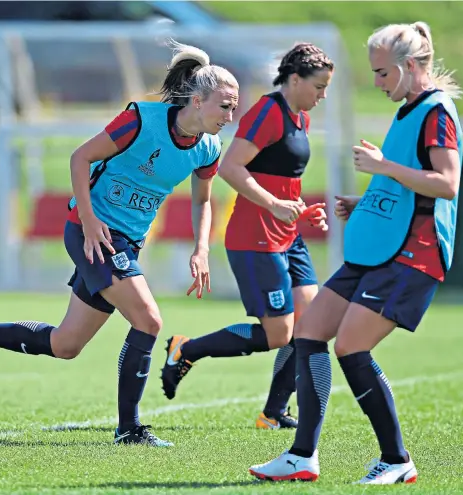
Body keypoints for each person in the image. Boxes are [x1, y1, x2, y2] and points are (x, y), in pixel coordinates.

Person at [0, 40, 240, 447]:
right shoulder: (141, 121)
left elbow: (203, 201)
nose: (230, 116)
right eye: (224, 106)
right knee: (149, 320)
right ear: (197, 101)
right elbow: (80, 158)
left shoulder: (209, 148)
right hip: (92, 232)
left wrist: (202, 249)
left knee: (66, 344)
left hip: (127, 241)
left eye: (233, 107)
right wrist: (89, 222)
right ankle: (129, 429)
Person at [248, 21, 463, 483]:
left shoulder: (436, 112)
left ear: (409, 66)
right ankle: (302, 454)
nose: (377, 82)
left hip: (414, 251)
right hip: (379, 245)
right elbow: (408, 184)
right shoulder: (410, 109)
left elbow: (446, 183)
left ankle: (397, 460)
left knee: (350, 346)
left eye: (383, 73)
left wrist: (383, 167)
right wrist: (365, 202)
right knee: (309, 333)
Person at [160, 43, 333, 430]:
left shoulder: (299, 118)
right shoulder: (268, 112)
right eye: (318, 87)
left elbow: (281, 178)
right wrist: (273, 204)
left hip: (288, 235)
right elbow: (231, 168)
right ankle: (186, 350)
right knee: (278, 334)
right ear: (294, 79)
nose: (322, 96)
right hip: (256, 237)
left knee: (311, 324)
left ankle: (273, 413)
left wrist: (300, 209)